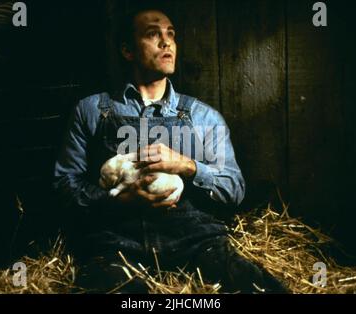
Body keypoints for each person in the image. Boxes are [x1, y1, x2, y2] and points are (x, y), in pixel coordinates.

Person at [54, 6, 286, 293]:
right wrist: (117, 201)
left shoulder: (203, 116)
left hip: (195, 239)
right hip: (116, 241)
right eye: (153, 34)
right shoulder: (92, 110)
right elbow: (64, 185)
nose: (167, 43)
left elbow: (234, 188)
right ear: (127, 50)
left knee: (253, 286)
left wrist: (187, 166)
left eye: (171, 35)